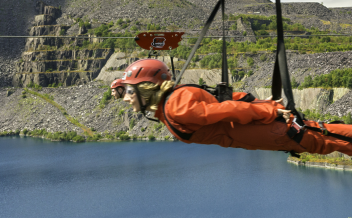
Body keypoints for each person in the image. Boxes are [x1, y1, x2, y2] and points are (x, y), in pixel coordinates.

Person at [122, 58, 352, 156]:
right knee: (320, 131)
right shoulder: (175, 98)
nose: (125, 98)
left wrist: (267, 110)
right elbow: (227, 100)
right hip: (255, 128)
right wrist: (265, 106)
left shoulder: (176, 107)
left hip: (256, 132)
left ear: (146, 88)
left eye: (130, 91)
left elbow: (227, 110)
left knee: (319, 141)